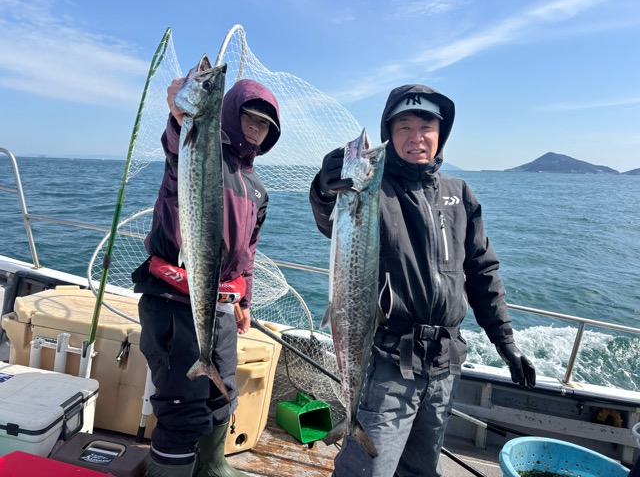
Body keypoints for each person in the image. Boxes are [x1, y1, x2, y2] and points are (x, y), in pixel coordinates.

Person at [309, 84, 536, 477]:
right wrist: (325, 188)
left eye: (425, 127)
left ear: (440, 133)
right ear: (390, 134)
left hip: (445, 363)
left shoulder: (460, 194)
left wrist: (506, 342)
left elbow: (482, 272)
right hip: (390, 360)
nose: (416, 137)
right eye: (404, 128)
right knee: (367, 471)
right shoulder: (375, 190)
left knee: (421, 470)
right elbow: (333, 222)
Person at [132, 76, 281, 477]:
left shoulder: (257, 188)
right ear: (229, 114)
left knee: (221, 395)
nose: (255, 128)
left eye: (264, 124)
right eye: (249, 118)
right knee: (181, 405)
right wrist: (181, 117)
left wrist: (245, 300)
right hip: (173, 303)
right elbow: (176, 143)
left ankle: (213, 467)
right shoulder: (199, 152)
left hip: (221, 309)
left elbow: (248, 251)